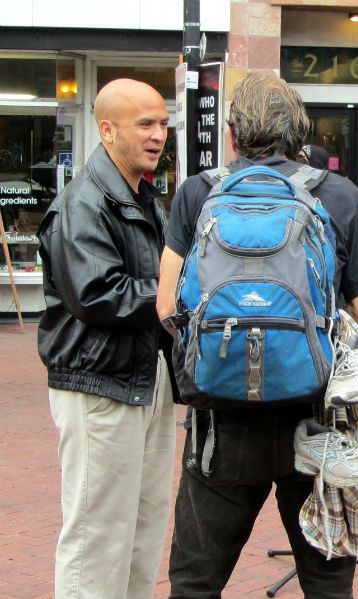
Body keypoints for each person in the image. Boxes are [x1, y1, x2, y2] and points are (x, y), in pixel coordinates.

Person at [157, 71, 358, 598]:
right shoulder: (340, 195)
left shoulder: (198, 192)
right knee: (327, 588)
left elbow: (166, 305)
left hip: (221, 424)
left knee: (195, 583)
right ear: (300, 130)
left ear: (233, 133)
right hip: (317, 420)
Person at [37, 78, 177, 598]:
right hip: (99, 383)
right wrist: (178, 292)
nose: (158, 135)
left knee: (142, 531)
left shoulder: (142, 196)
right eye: (145, 123)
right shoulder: (84, 203)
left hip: (143, 377)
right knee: (97, 536)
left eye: (163, 123)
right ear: (107, 129)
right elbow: (97, 294)